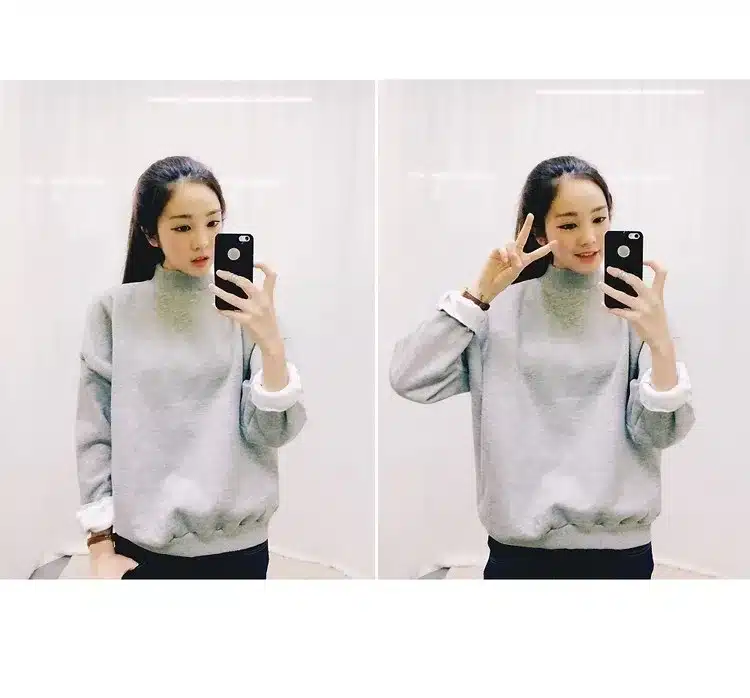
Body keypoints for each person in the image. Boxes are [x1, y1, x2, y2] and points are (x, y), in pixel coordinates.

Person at [389, 155, 695, 580]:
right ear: (538, 231)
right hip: (521, 550)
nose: (589, 237)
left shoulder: (638, 311)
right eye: (569, 225)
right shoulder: (499, 310)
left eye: (599, 219)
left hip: (620, 549)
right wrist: (477, 296)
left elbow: (660, 433)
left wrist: (660, 342)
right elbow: (409, 378)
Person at [75, 155, 306, 579]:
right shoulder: (114, 311)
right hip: (142, 547)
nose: (203, 241)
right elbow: (95, 432)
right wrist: (99, 546)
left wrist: (271, 343)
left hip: (239, 548)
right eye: (183, 227)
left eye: (213, 223)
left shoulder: (250, 312)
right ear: (151, 234)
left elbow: (272, 432)